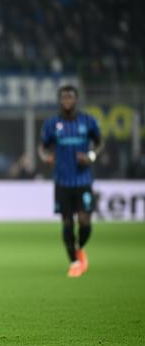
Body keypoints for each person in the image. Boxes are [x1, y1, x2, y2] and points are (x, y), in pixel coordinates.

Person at [39, 85, 104, 278]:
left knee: (85, 222)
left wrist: (91, 156)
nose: (67, 100)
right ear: (60, 101)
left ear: (76, 99)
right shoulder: (52, 124)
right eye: (64, 97)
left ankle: (79, 247)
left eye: (70, 97)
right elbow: (42, 147)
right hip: (62, 181)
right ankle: (74, 262)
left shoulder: (88, 121)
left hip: (83, 180)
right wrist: (46, 157)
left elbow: (99, 142)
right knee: (67, 222)